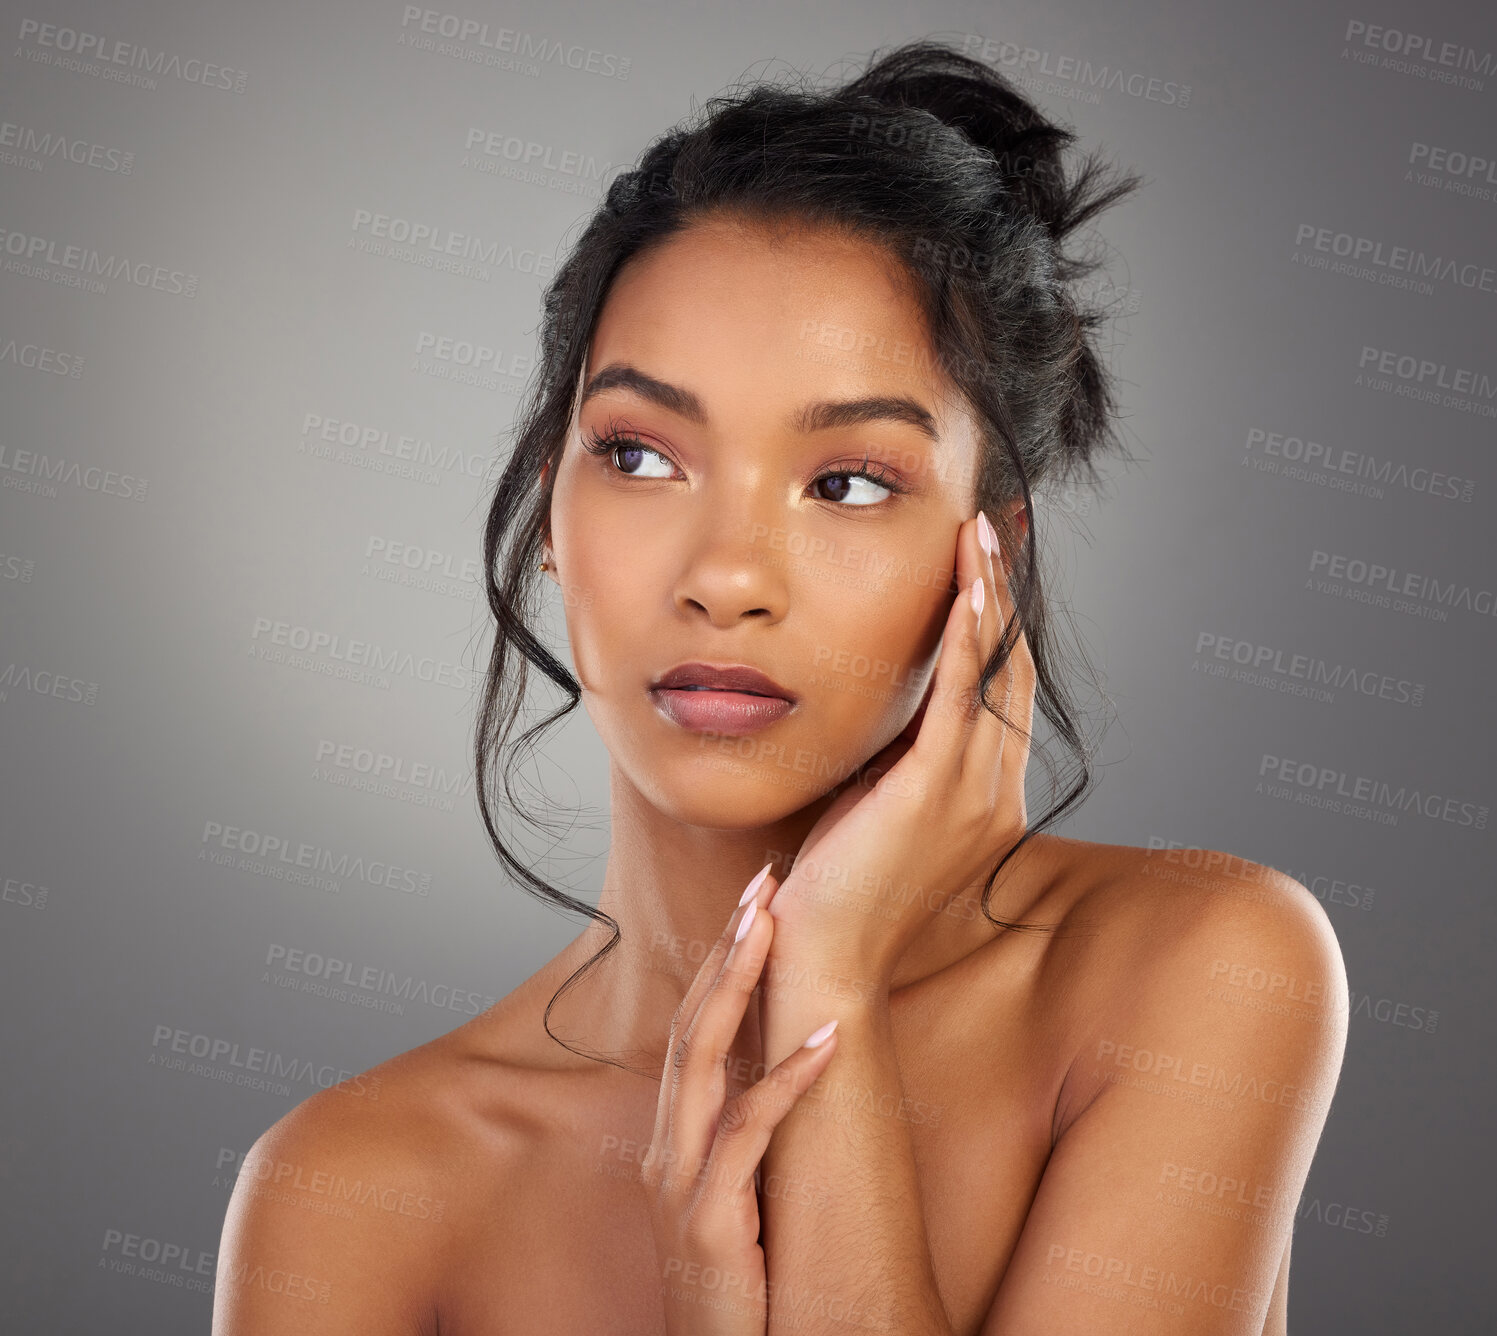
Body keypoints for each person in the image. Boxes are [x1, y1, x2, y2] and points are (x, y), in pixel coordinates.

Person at [214, 38, 1347, 1335]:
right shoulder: (351, 1190)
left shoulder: (1191, 972)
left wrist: (829, 986)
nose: (726, 577)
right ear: (551, 517)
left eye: (848, 482)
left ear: (990, 557)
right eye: (639, 455)